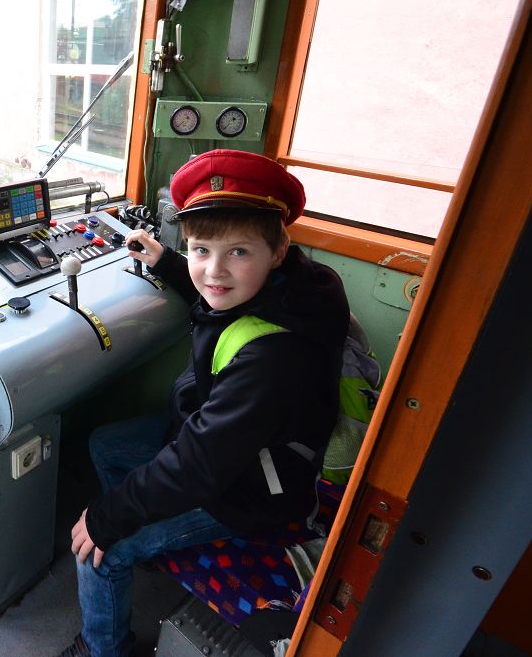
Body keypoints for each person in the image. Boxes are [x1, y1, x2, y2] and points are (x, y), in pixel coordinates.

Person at [60, 150, 350, 657]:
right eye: (200, 249)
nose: (214, 270)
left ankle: (104, 647)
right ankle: (150, 548)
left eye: (238, 251)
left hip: (250, 492)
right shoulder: (291, 287)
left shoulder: (275, 358)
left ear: (277, 250)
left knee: (100, 549)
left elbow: (197, 467)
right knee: (107, 445)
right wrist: (168, 261)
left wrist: (108, 518)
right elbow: (216, 289)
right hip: (223, 443)